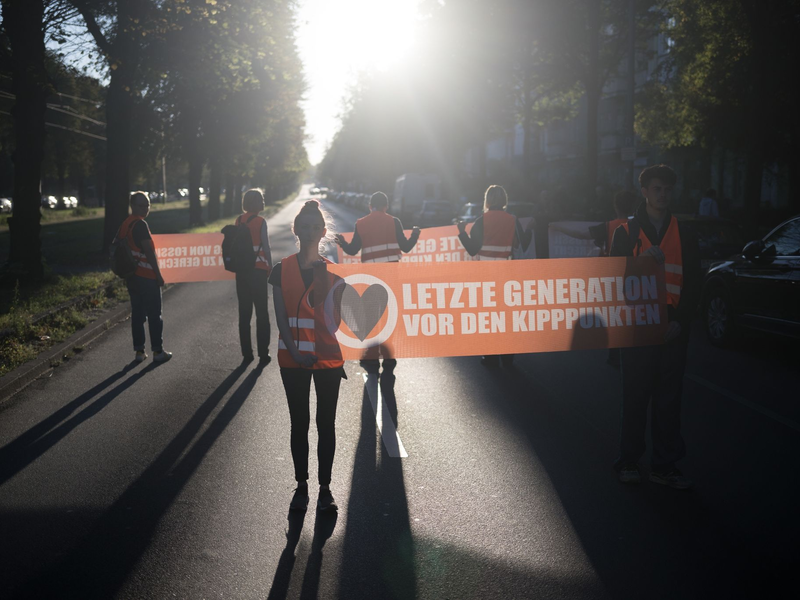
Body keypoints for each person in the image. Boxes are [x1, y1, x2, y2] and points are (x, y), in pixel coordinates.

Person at [610, 164, 700, 490]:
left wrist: (680, 321)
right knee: (635, 396)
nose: (663, 195)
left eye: (667, 190)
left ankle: (664, 465)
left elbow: (693, 283)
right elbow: (612, 280)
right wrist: (639, 262)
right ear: (645, 192)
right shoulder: (627, 233)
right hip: (637, 327)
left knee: (668, 399)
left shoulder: (686, 233)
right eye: (657, 189)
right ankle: (629, 461)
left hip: (672, 327)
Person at [269, 200, 346, 513]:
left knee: (325, 424)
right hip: (293, 360)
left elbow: (336, 323)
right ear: (295, 229)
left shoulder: (332, 274)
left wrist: (323, 281)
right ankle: (302, 485)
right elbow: (282, 318)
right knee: (299, 424)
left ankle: (325, 489)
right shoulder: (280, 270)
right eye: (305, 226)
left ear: (323, 231)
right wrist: (297, 352)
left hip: (328, 360)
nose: (311, 232)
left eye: (316, 227)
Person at [335, 191, 421, 374]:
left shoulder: (361, 223)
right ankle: (389, 358)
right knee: (390, 316)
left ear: (370, 206)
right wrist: (415, 234)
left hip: (372, 277)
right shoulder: (394, 221)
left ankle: (372, 357)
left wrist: (342, 242)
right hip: (391, 274)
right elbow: (406, 247)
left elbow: (352, 250)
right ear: (386, 206)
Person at [457, 185, 533, 368]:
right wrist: (529, 227)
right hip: (506, 275)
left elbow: (473, 248)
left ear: (488, 201)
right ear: (504, 201)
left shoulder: (481, 221)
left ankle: (490, 357)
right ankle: (508, 357)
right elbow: (522, 244)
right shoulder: (512, 220)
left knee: (489, 317)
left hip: (486, 276)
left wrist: (461, 232)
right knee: (507, 316)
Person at [115, 192, 172, 363]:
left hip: (131, 276)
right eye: (141, 205)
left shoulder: (125, 224)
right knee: (155, 315)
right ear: (133, 205)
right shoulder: (140, 225)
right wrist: (159, 275)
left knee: (138, 315)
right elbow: (149, 251)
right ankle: (158, 352)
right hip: (146, 276)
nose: (145, 208)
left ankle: (139, 352)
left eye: (147, 205)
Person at [234, 189, 273, 366]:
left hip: (242, 271)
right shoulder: (260, 221)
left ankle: (246, 353)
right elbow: (265, 246)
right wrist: (270, 266)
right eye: (262, 199)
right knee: (262, 313)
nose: (264, 201)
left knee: (244, 313)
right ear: (257, 203)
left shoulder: (239, 220)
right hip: (258, 271)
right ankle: (263, 354)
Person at [551, 190, 637, 256]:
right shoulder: (638, 227)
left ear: (615, 207)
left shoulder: (608, 227)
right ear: (632, 207)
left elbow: (581, 234)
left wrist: (559, 228)